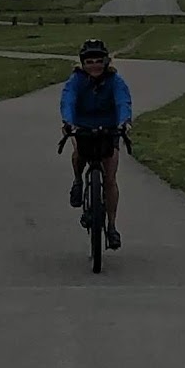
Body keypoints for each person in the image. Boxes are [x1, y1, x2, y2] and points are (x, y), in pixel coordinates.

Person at [60, 39, 132, 250]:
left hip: (109, 128)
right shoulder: (76, 80)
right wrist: (67, 121)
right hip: (82, 125)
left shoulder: (114, 80)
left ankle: (112, 227)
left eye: (98, 61)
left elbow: (123, 101)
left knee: (110, 178)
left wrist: (125, 121)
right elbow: (68, 100)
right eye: (89, 62)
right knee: (78, 152)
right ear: (82, 64)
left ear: (106, 61)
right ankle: (77, 181)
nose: (94, 66)